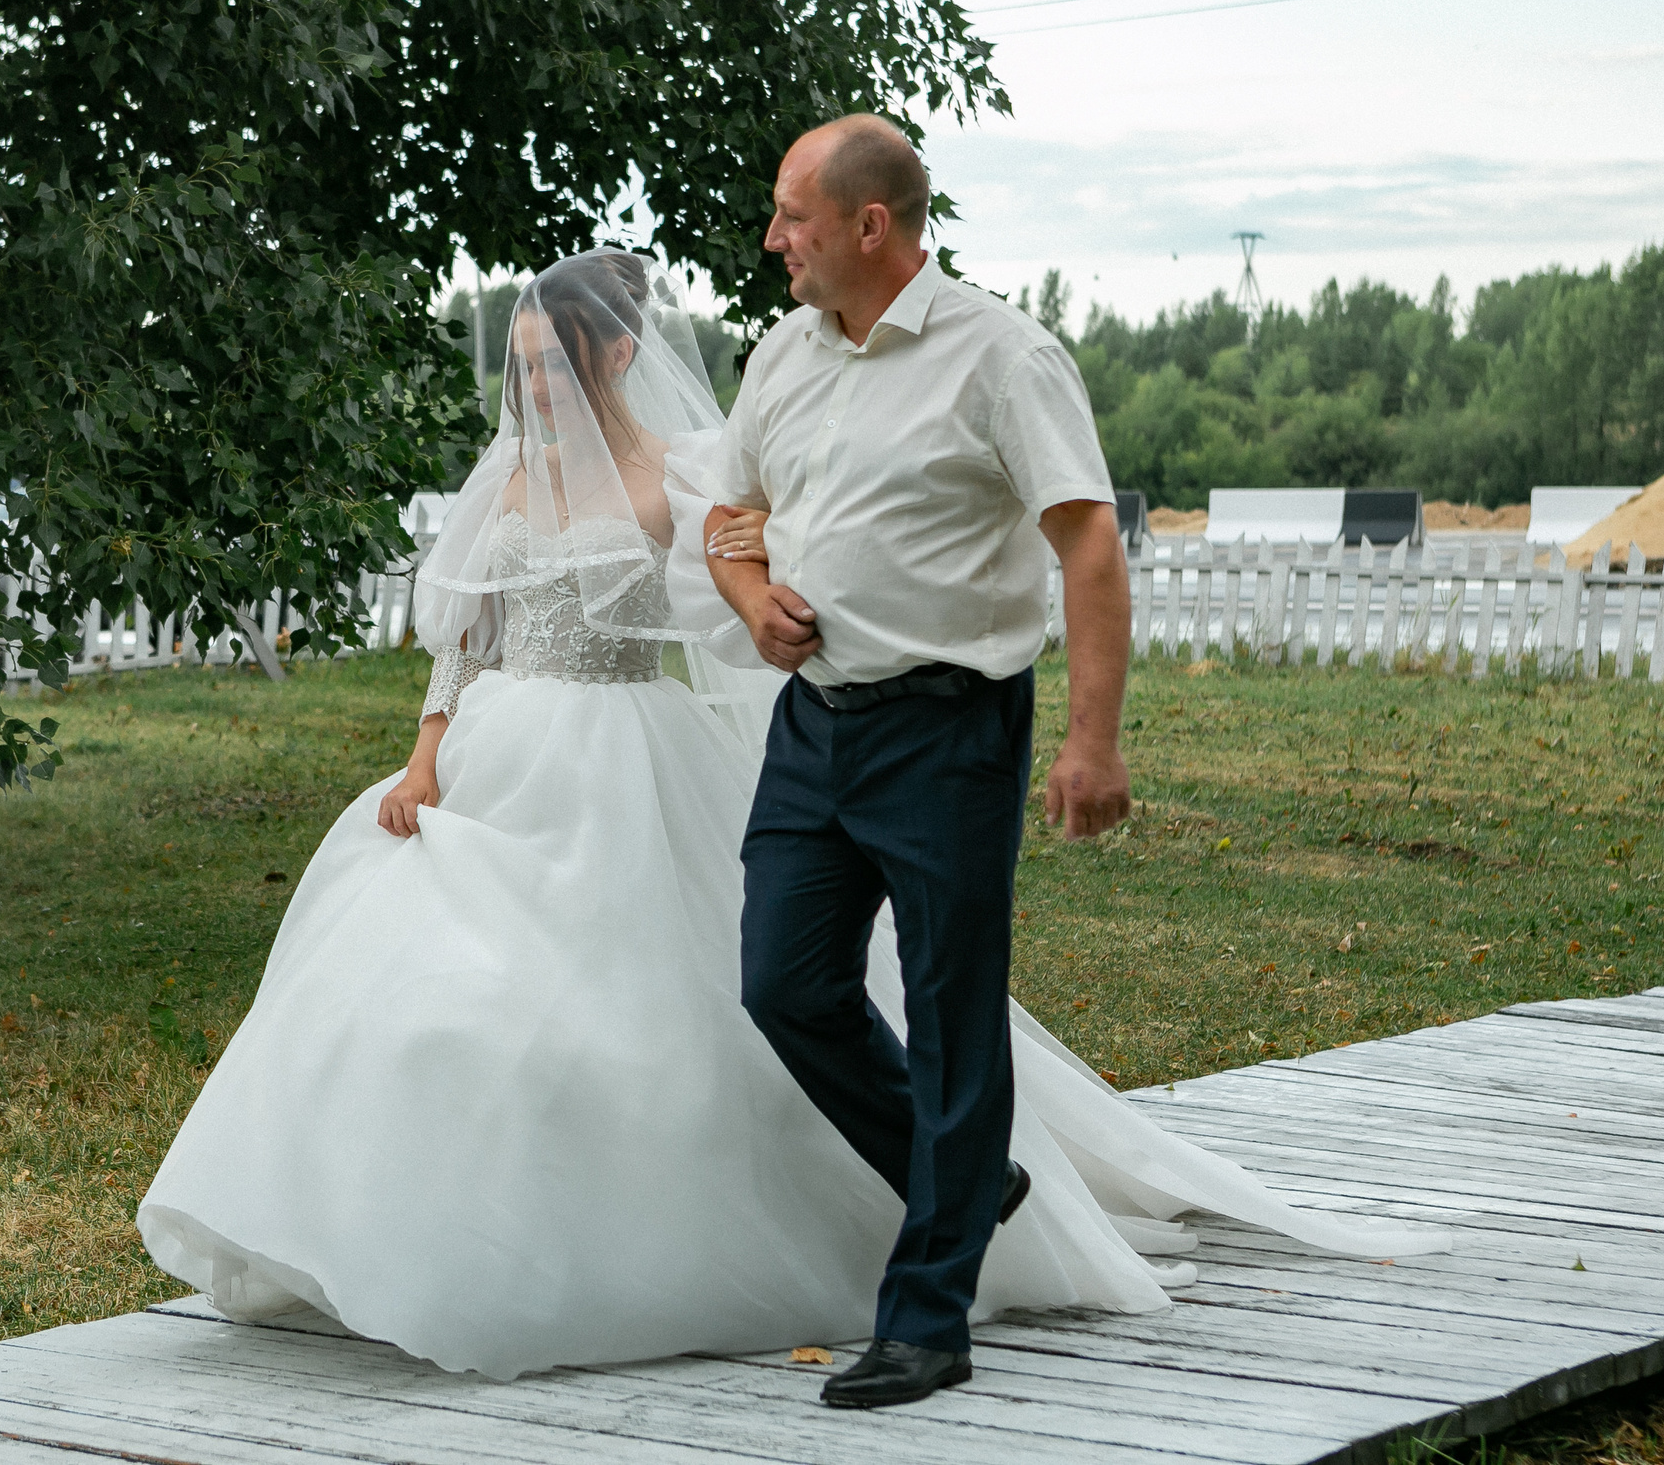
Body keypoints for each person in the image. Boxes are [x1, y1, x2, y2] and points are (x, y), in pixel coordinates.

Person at [134, 245, 1450, 1386]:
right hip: (494, 756)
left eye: (553, 366)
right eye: (519, 367)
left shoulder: (680, 476)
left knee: (674, 1011)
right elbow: (462, 637)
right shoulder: (506, 481)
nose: (532, 390)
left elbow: (744, 590)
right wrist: (425, 755)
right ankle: (379, 1239)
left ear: (609, 358)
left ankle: (808, 1222)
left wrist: (780, 622)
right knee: (412, 992)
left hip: (625, 754)